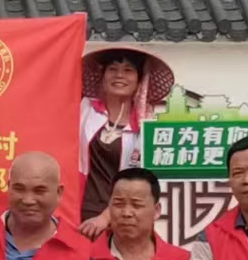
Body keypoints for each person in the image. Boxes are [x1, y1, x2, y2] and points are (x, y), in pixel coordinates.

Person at [75, 48, 175, 238]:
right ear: (102, 75)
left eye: (128, 70)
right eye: (112, 69)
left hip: (122, 218)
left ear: (139, 80)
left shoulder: (146, 125)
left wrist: (105, 218)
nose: (119, 75)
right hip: (75, 209)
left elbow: (139, 179)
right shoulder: (84, 109)